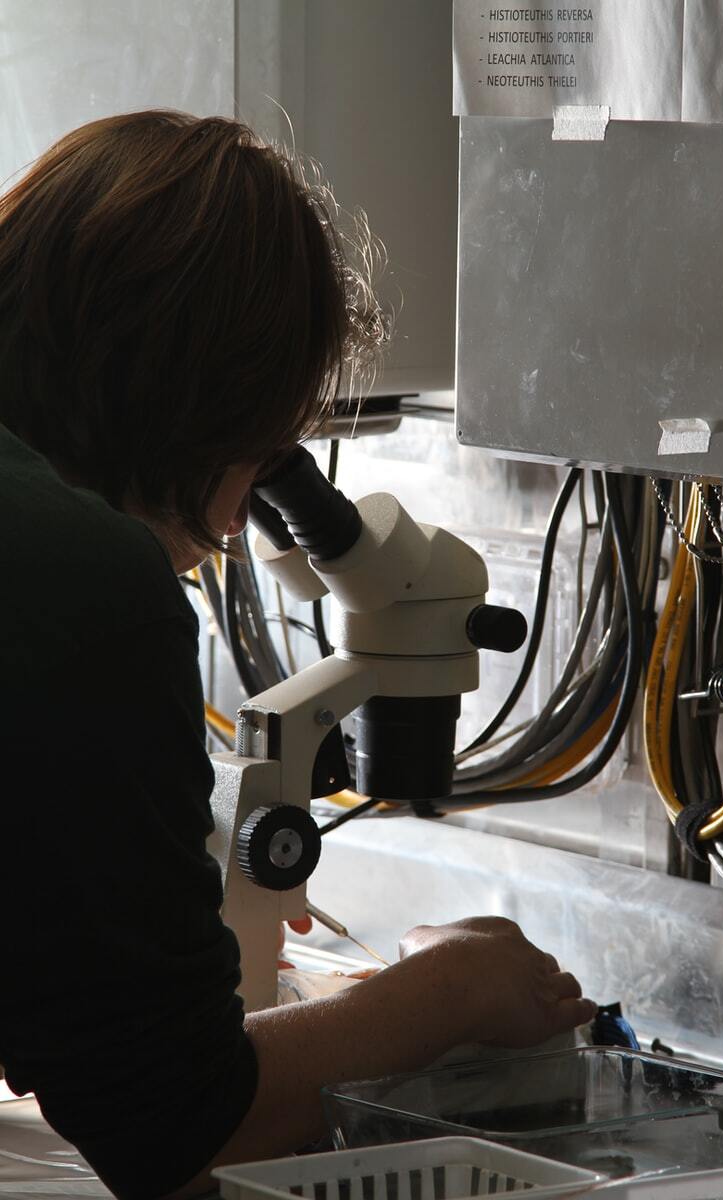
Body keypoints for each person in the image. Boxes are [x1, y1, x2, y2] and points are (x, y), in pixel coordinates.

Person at [0, 110, 596, 1200]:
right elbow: (179, 1126)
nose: (235, 524)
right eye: (259, 453)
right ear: (200, 408)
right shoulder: (82, 583)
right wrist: (449, 990)